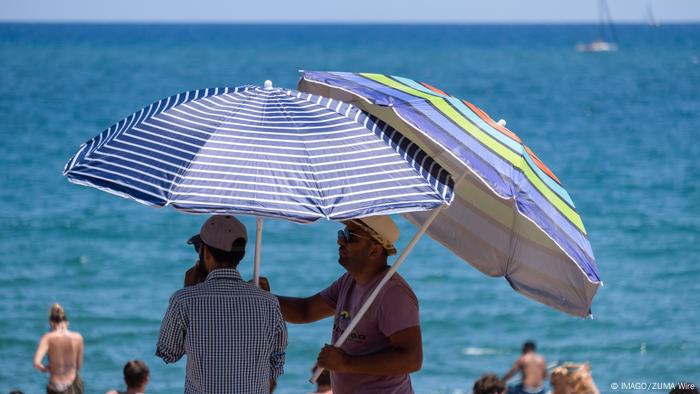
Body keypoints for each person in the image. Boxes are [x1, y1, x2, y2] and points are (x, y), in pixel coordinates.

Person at [262, 215, 422, 394]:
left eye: (350, 236)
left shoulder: (393, 293)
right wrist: (262, 299)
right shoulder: (349, 281)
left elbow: (412, 359)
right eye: (343, 233)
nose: (340, 241)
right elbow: (305, 311)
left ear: (375, 251)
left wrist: (346, 363)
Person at [156, 215, 287, 394]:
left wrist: (187, 291)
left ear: (207, 253)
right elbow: (277, 362)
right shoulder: (269, 302)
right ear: (241, 255)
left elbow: (168, 353)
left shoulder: (184, 300)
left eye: (198, 249)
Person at [33, 303, 84, 394]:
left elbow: (36, 363)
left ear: (51, 323)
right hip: (73, 387)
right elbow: (78, 367)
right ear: (67, 322)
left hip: (55, 386)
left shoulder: (48, 337)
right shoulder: (78, 337)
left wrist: (47, 368)